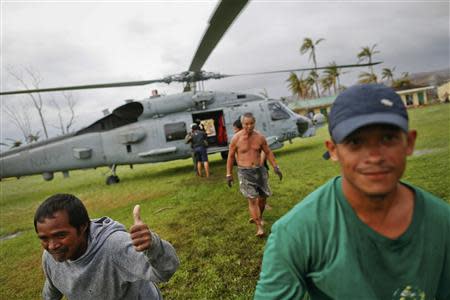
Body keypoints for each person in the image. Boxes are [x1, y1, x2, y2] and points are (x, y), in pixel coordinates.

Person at [254, 84, 450, 299]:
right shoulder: (296, 232)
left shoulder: (443, 223)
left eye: (388, 138)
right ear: (333, 150)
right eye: (355, 142)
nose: (374, 156)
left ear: (409, 143)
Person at [34, 194, 180, 300]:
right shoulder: (50, 257)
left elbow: (165, 271)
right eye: (44, 238)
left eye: (60, 235)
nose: (52, 246)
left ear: (83, 226)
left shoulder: (114, 246)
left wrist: (153, 245)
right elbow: (53, 286)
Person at [226, 112, 283, 237]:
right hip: (244, 172)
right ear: (242, 124)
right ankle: (259, 227)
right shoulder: (236, 138)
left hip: (259, 170)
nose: (249, 126)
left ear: (254, 123)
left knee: (262, 198)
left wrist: (275, 167)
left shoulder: (260, 137)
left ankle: (259, 216)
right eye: (246, 124)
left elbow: (268, 152)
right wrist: (229, 174)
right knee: (252, 199)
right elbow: (230, 157)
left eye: (251, 123)